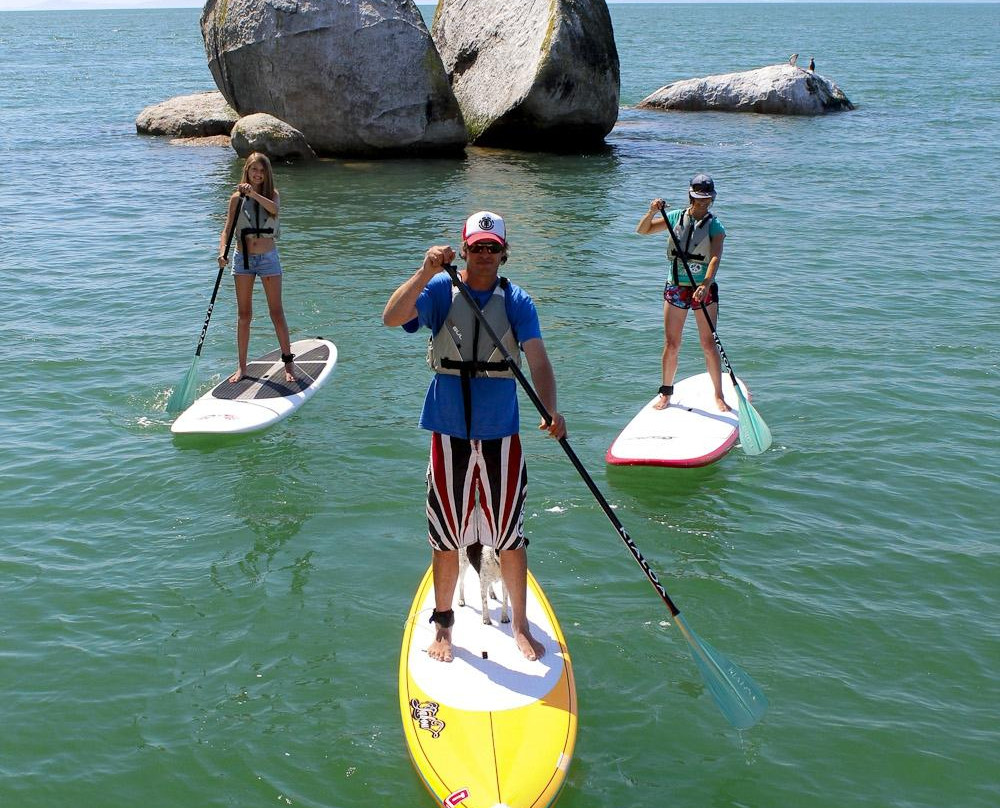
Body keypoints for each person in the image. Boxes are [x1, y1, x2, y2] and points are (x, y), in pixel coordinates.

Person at [382, 211, 567, 664]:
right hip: (448, 430)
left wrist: (550, 408)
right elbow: (391, 318)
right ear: (464, 250)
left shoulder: (518, 300)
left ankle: (519, 624)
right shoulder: (441, 290)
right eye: (477, 246)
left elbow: (539, 359)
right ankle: (443, 623)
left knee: (508, 533)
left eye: (493, 247)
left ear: (504, 253)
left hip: (502, 431)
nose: (485, 254)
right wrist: (425, 270)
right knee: (445, 535)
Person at [635, 173, 728, 412]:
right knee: (671, 343)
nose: (703, 202)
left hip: (702, 289)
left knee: (708, 343)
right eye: (699, 198)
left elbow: (715, 257)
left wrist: (706, 284)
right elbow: (642, 230)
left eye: (707, 198)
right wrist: (652, 212)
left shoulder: (715, 225)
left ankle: (718, 395)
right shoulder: (675, 216)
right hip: (676, 286)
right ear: (690, 195)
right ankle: (666, 393)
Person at [218, 152, 295, 384]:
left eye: (261, 171)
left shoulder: (272, 195)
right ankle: (242, 367)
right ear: (247, 171)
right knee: (244, 315)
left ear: (266, 174)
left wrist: (253, 194)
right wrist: (221, 252)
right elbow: (227, 229)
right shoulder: (235, 199)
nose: (258, 174)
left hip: (268, 258)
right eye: (254, 170)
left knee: (276, 312)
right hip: (243, 260)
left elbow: (273, 210)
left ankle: (288, 360)